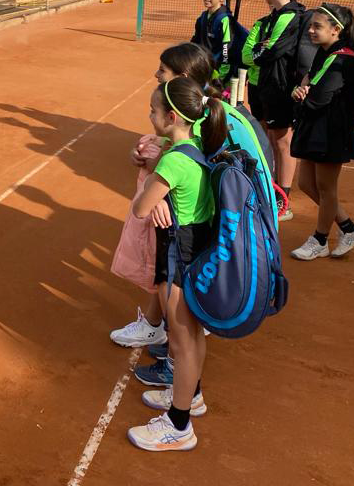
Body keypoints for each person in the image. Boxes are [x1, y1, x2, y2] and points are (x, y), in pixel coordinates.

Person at [127, 77, 226, 451]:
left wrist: (156, 191)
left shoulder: (172, 161)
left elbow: (141, 208)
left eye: (153, 110)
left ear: (171, 117)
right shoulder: (196, 145)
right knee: (193, 336)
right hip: (195, 251)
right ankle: (191, 395)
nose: (149, 116)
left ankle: (179, 425)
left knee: (182, 343)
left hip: (177, 258)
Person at [288, 3, 354, 260]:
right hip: (316, 128)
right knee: (306, 183)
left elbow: (317, 98)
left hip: (332, 132)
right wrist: (301, 90)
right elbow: (308, 82)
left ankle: (320, 240)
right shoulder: (325, 52)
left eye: (317, 26)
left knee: (326, 188)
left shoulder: (343, 60)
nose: (311, 30)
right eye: (311, 25)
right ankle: (349, 228)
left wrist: (302, 93)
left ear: (336, 30)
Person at [251, 0, 305, 221]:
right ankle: (274, 192)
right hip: (271, 87)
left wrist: (258, 51)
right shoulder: (278, 16)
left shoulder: (289, 16)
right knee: (274, 139)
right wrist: (260, 50)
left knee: (283, 142)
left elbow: (267, 53)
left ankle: (284, 201)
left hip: (282, 89)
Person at [190, 0, 233, 85]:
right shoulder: (202, 17)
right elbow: (196, 41)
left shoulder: (225, 20)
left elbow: (227, 49)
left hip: (217, 75)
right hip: (203, 69)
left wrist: (221, 78)